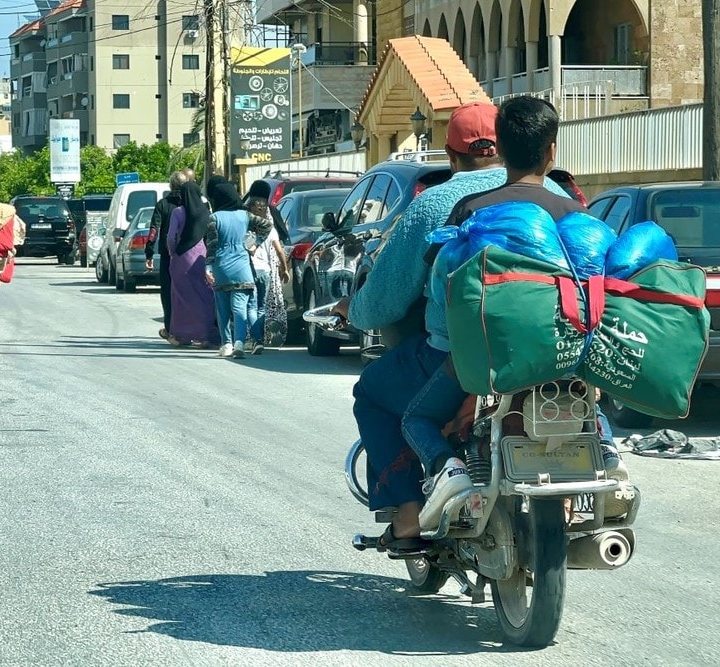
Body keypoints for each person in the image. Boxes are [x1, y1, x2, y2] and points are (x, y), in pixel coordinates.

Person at [333, 99, 580, 554]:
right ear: (549, 151)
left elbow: (386, 299)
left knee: (373, 392)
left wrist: (353, 310)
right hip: (556, 350)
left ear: (451, 156)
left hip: (460, 354)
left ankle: (407, 520)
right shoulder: (567, 205)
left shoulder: (449, 204)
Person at [204, 176, 271, 358]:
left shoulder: (214, 218)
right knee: (240, 306)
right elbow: (267, 225)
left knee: (223, 309)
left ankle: (226, 344)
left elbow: (212, 245)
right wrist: (255, 243)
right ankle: (240, 342)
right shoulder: (245, 215)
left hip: (221, 266)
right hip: (242, 267)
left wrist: (208, 267)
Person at [166, 181, 220, 348]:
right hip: (201, 257)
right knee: (203, 297)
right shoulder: (206, 212)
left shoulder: (178, 212)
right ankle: (205, 336)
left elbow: (170, 236)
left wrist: (172, 252)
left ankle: (180, 335)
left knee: (180, 298)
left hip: (181, 258)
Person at [145, 171, 189, 341]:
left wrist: (149, 252)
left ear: (170, 186)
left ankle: (171, 329)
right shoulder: (192, 204)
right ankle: (188, 328)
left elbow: (153, 231)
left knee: (167, 293)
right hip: (188, 255)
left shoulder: (163, 205)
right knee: (187, 293)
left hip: (167, 256)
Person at [244, 197, 289, 354]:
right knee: (262, 307)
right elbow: (279, 250)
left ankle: (253, 338)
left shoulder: (246, 227)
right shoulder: (271, 229)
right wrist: (284, 269)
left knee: (250, 305)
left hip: (248, 270)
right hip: (265, 271)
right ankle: (260, 337)